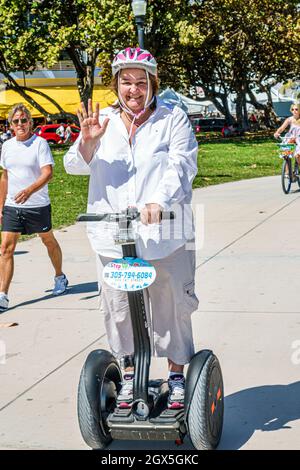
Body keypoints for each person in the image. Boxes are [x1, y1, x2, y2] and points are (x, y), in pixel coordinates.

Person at [64, 47, 199, 410]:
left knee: (172, 306)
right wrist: (87, 143)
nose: (134, 89)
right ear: (116, 84)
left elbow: (181, 166)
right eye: (126, 82)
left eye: (141, 82)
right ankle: (127, 374)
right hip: (113, 237)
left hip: (166, 235)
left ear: (153, 84)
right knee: (118, 308)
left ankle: (175, 375)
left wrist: (159, 201)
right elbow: (75, 166)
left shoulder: (173, 119)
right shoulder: (102, 121)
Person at [0, 104, 68, 312]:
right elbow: (5, 176)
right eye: (16, 121)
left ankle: (60, 277)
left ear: (30, 122)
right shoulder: (7, 146)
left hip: (37, 204)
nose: (20, 124)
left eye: (24, 120)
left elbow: (47, 173)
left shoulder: (39, 144)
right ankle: (3, 295)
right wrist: (0, 206)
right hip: (13, 205)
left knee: (48, 241)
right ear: (10, 125)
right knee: (5, 249)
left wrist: (29, 191)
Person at [274, 102, 300, 166]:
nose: (294, 111)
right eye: (292, 109)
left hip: (299, 138)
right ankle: (286, 174)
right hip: (291, 137)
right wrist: (277, 133)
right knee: (286, 154)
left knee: (297, 156)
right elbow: (282, 128)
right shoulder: (289, 119)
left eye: (296, 109)